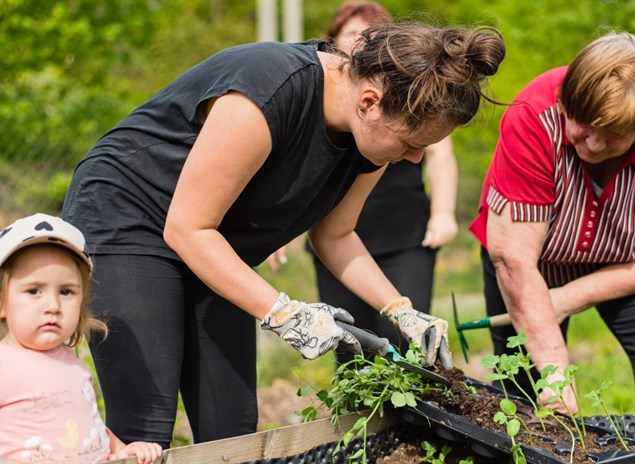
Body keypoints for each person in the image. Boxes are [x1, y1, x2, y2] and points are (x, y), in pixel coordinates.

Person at [61, 22, 506, 446]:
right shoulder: (268, 90)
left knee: (232, 426)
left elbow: (335, 235)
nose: (414, 159)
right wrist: (284, 312)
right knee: (146, 425)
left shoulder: (369, 138)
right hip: (130, 218)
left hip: (215, 239)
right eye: (411, 143)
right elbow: (188, 227)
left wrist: (402, 310)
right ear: (369, 100)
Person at [469, 31, 635, 415]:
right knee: (522, 392)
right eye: (583, 124)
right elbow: (514, 261)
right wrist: (555, 376)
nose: (592, 144)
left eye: (614, 137)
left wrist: (564, 299)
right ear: (564, 100)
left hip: (631, 264)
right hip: (531, 260)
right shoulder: (533, 115)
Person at [300, 1, 460, 364]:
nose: (360, 42)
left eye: (369, 35)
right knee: (351, 348)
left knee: (405, 340)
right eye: (352, 34)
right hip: (333, 232)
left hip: (403, 230)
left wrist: (444, 213)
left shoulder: (412, 96)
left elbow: (441, 156)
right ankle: (363, 418)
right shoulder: (321, 99)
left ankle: (410, 417)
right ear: (335, 41)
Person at [0, 213, 163, 464]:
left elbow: (88, 424)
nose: (53, 305)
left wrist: (121, 450)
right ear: (2, 302)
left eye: (66, 292)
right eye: (34, 291)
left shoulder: (69, 358)